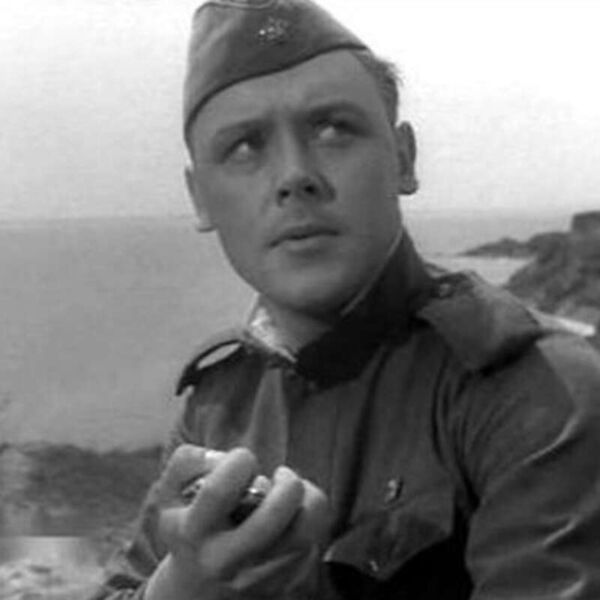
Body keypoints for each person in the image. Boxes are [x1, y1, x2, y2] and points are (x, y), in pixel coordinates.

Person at [91, 0, 600, 598]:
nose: (294, 176)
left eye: (334, 129)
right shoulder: (219, 402)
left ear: (403, 159)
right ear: (200, 199)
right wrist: (180, 588)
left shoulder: (539, 392)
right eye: (245, 147)